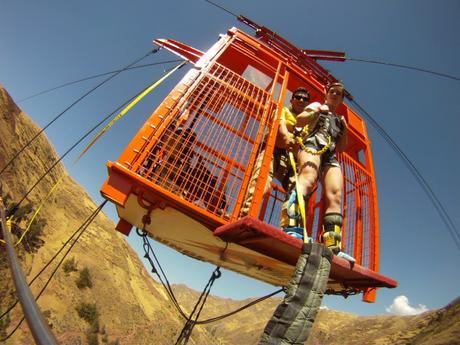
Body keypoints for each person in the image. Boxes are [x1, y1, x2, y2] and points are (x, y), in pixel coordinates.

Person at [284, 82, 350, 257]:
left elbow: (342, 147)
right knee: (308, 177)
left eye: (338, 93)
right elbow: (300, 119)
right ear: (327, 94)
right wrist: (317, 111)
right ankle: (292, 226)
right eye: (332, 91)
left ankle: (333, 245)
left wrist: (346, 129)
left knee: (335, 193)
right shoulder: (317, 105)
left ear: (342, 99)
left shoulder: (340, 119)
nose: (335, 94)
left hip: (331, 154)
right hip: (313, 144)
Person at [240, 87, 311, 216]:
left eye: (305, 99)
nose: (301, 100)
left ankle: (290, 225)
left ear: (307, 104)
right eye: (298, 97)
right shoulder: (282, 110)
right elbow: (281, 125)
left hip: (291, 160)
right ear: (292, 100)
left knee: (297, 189)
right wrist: (286, 137)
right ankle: (245, 213)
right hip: (272, 151)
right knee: (261, 181)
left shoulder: (307, 123)